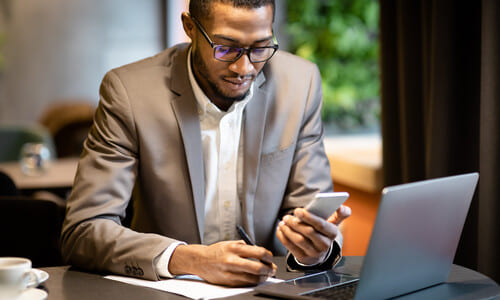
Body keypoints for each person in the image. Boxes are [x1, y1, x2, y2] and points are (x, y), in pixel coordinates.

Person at [61, 0, 351, 287]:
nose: (244, 67)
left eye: (260, 48)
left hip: (268, 291)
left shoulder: (300, 84)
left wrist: (314, 250)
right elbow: (84, 230)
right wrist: (191, 260)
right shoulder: (129, 93)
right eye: (225, 48)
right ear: (190, 28)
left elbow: (312, 214)